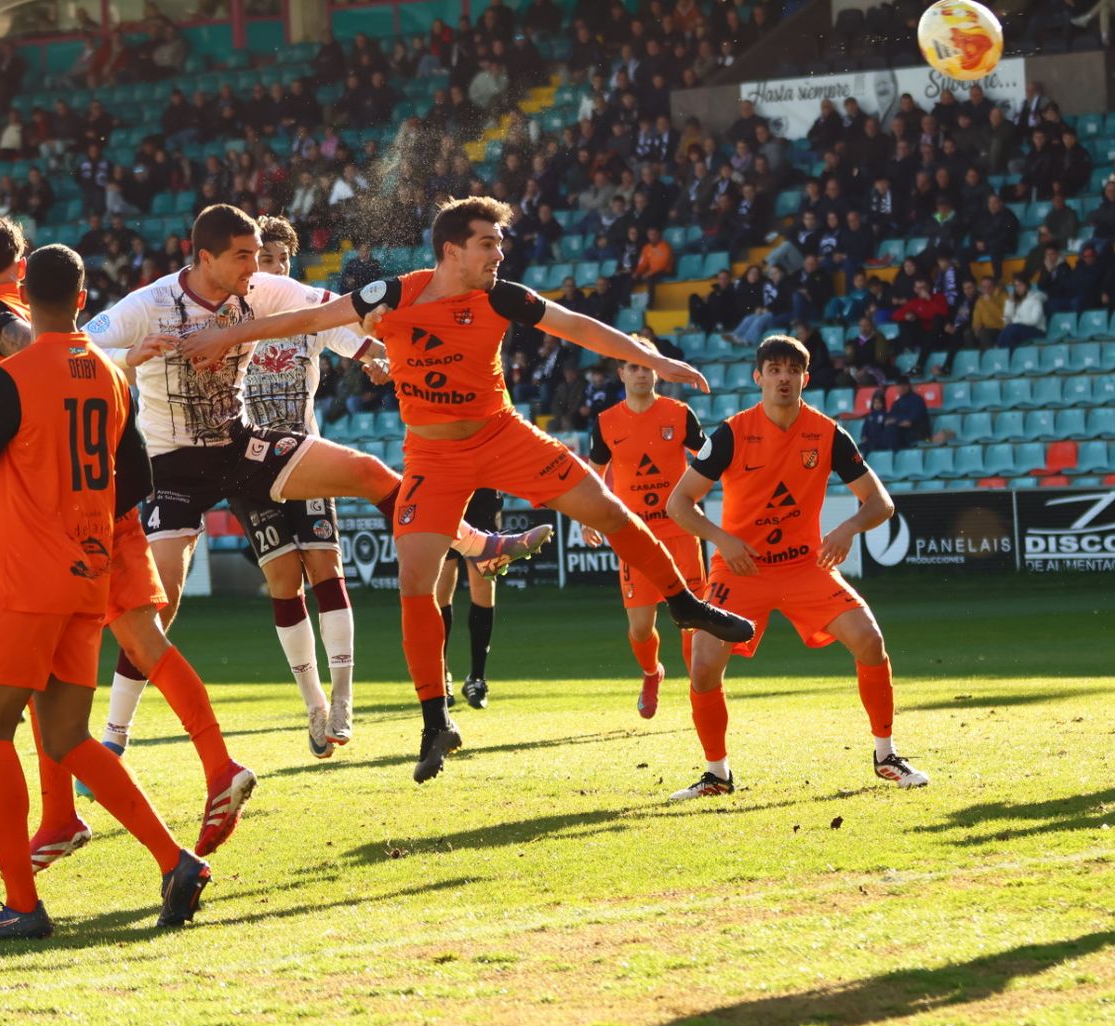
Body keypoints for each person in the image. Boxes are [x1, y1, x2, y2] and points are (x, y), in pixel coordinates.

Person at [186, 196, 757, 783]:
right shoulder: (395, 294)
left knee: (608, 511)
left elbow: (576, 326)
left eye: (499, 243)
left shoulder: (501, 295)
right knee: (415, 577)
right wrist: (230, 339)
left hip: (503, 435)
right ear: (452, 250)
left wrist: (648, 355)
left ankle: (686, 605)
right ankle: (436, 722)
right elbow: (310, 319)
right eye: (489, 242)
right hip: (433, 454)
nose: (499, 253)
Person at [85, 205, 552, 773]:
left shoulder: (258, 288)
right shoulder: (148, 304)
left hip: (240, 445)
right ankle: (113, 738)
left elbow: (331, 313)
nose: (256, 265)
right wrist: (125, 361)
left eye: (259, 254)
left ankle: (476, 542)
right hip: (169, 468)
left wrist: (378, 345)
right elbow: (79, 350)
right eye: (243, 255)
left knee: (367, 473)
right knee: (158, 605)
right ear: (204, 258)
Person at [0, 215, 252, 863]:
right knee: (52, 677)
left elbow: (20, 344)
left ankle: (218, 765)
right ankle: (62, 814)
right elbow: (128, 456)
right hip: (96, 505)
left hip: (50, 515)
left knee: (118, 646)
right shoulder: (90, 354)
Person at [664, 334, 929, 800]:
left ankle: (886, 755)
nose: (783, 378)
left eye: (792, 370)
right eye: (775, 369)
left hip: (805, 567)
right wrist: (724, 540)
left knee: (870, 641)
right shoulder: (729, 433)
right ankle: (716, 774)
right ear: (758, 377)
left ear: (805, 379)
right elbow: (679, 503)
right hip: (740, 570)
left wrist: (845, 530)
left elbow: (880, 503)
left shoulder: (826, 433)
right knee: (703, 666)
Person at [233, 214, 385, 757]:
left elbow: (358, 342)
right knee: (281, 581)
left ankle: (343, 699)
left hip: (304, 458)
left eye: (280, 261)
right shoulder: (231, 314)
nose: (272, 270)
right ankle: (314, 705)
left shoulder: (311, 315)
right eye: (262, 260)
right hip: (249, 467)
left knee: (325, 568)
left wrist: (376, 360)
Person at [584, 347, 708, 718]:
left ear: (658, 373)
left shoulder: (679, 414)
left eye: (648, 367)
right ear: (621, 373)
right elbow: (594, 473)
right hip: (634, 536)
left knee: (693, 619)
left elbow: (710, 459)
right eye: (634, 367)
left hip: (680, 530)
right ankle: (652, 673)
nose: (641, 374)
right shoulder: (606, 422)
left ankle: (699, 689)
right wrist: (588, 514)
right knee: (640, 628)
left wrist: (694, 497)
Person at [436, 488, 502, 709]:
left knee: (484, 585)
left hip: (482, 493)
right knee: (441, 586)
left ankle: (477, 677)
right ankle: (441, 675)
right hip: (444, 492)